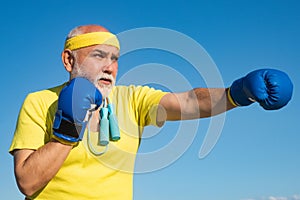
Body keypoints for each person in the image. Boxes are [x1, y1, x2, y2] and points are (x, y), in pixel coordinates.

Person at [9, 24, 293, 200]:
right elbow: (28, 183)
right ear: (68, 60)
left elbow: (191, 102)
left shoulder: (132, 98)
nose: (110, 67)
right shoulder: (39, 102)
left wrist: (237, 93)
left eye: (115, 59)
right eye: (99, 56)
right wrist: (68, 128)